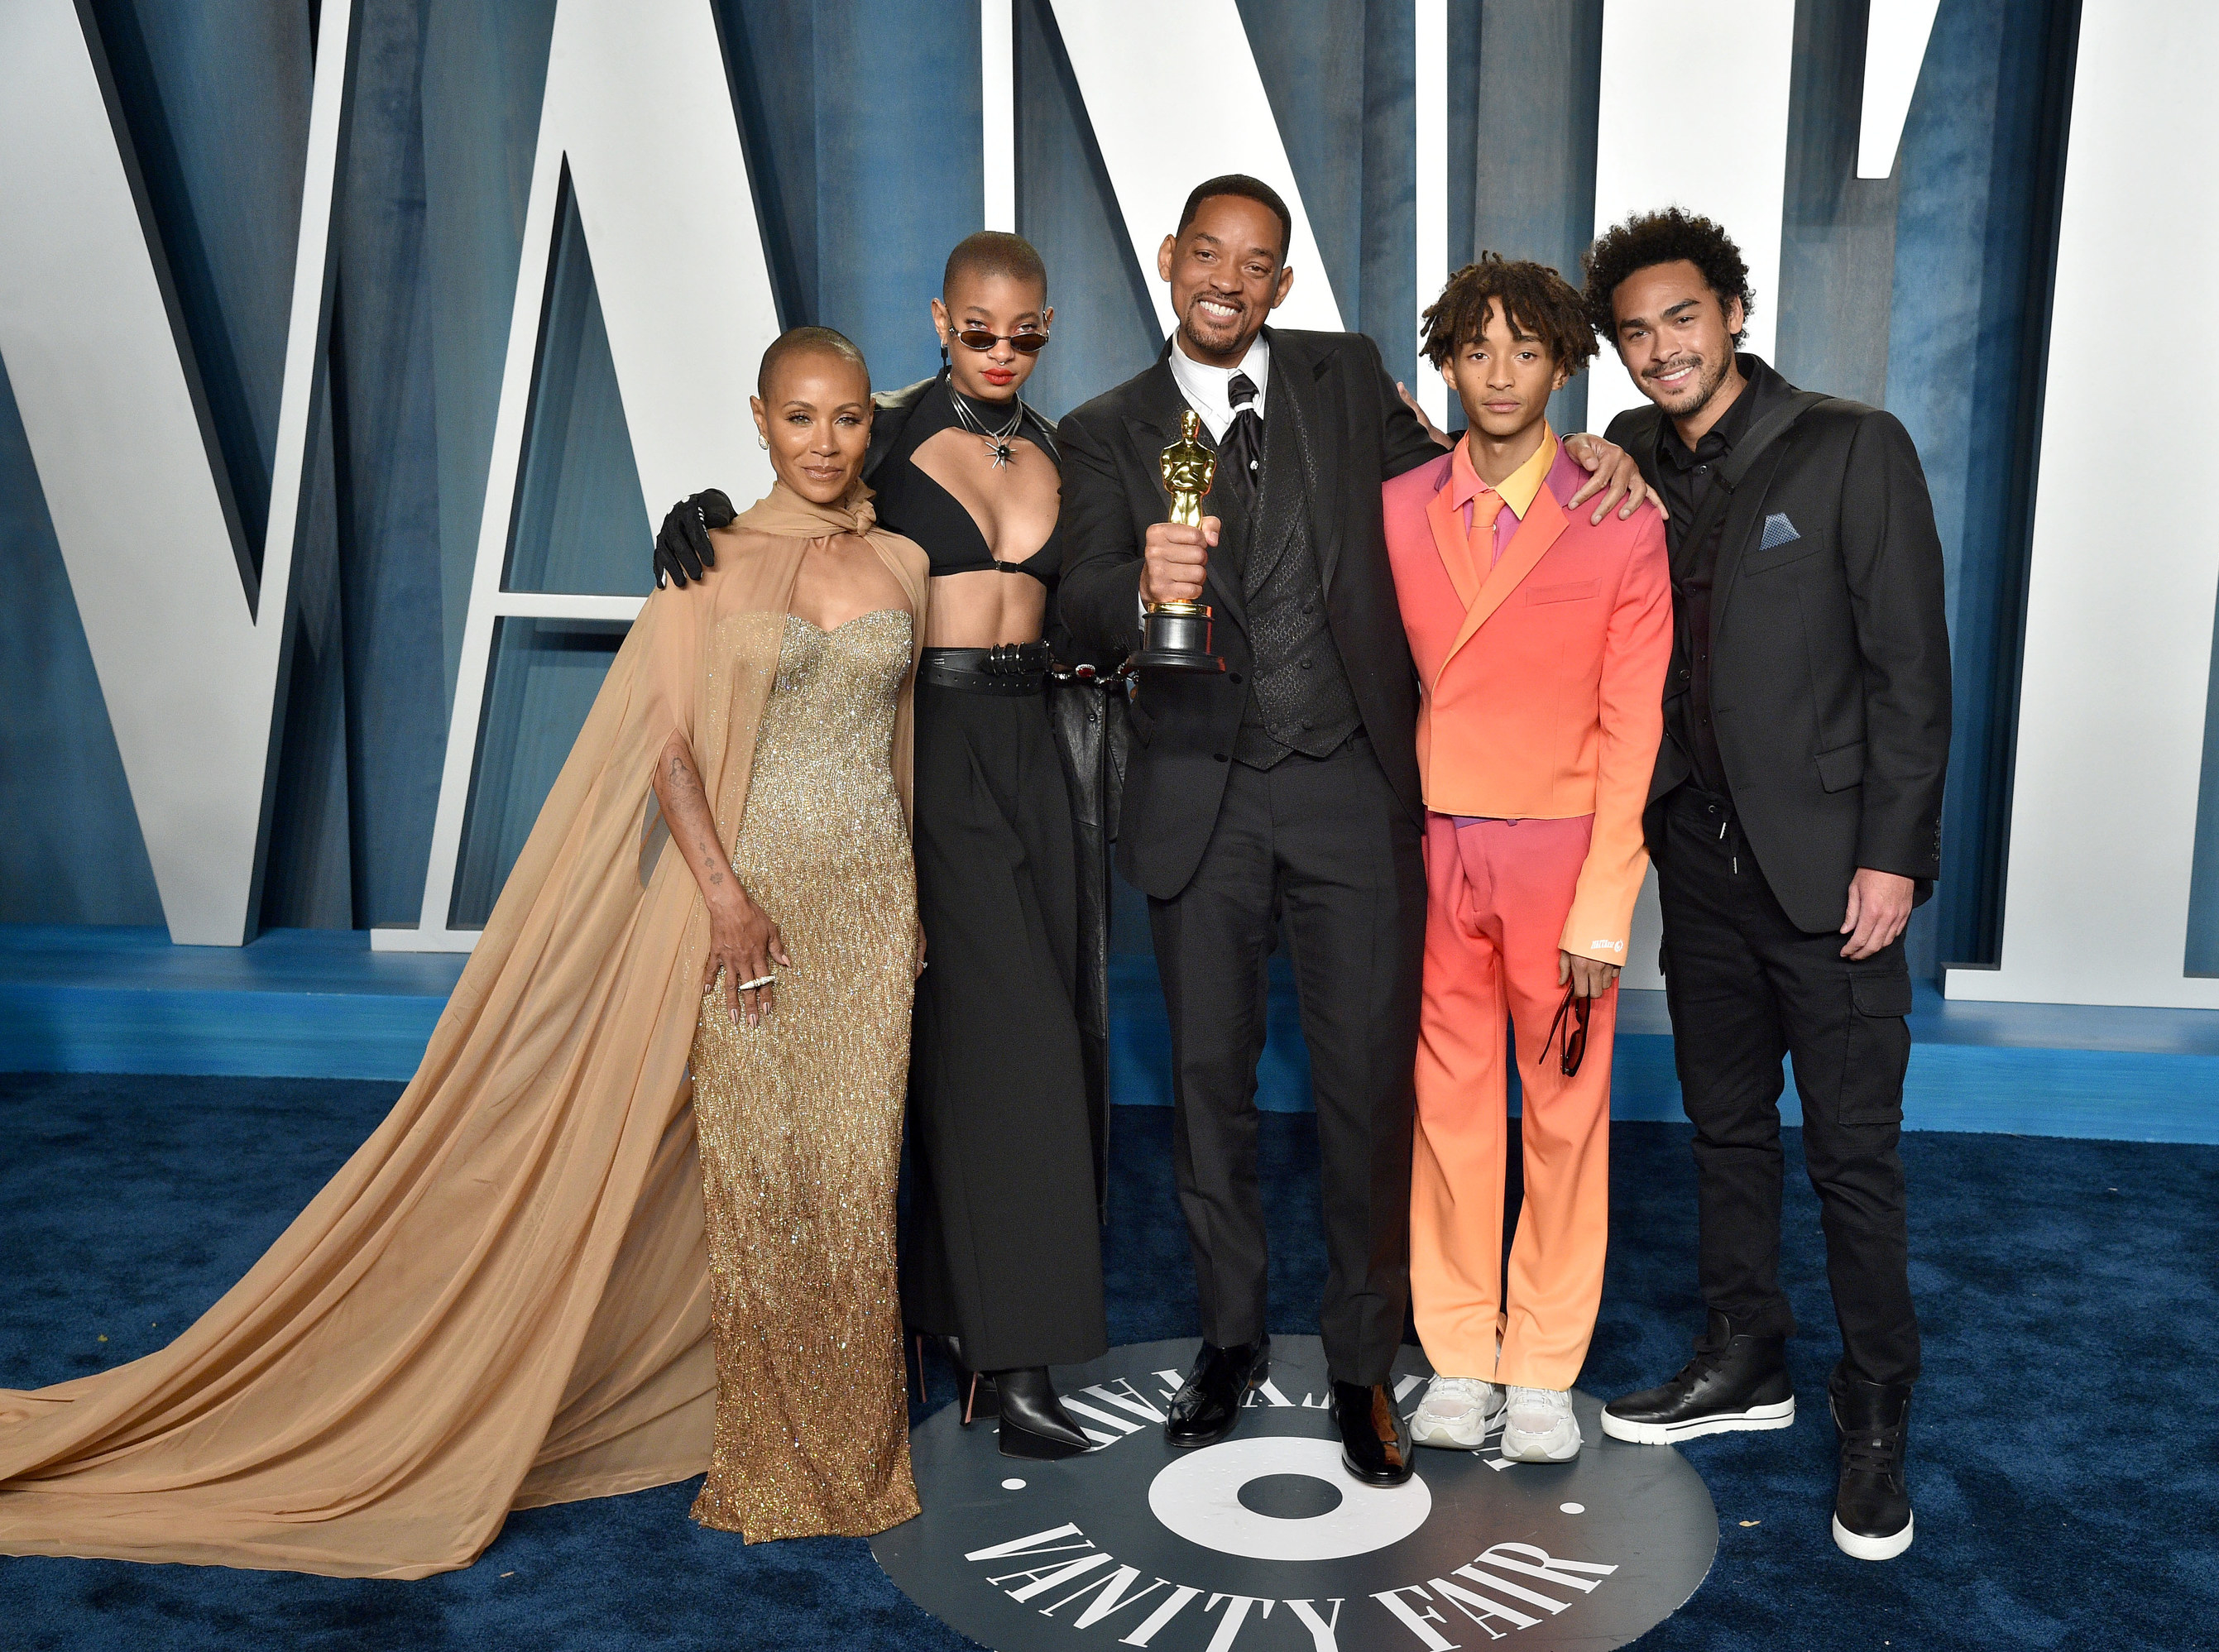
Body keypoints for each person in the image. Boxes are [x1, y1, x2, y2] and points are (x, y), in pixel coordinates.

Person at [0, 327, 930, 1573]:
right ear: (757, 418)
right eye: (801, 417)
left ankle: (861, 1456)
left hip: (870, 906)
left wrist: (912, 907)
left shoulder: (908, 562)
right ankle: (772, 1452)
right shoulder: (708, 562)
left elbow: (904, 744)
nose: (826, 443)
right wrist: (722, 899)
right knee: (765, 1177)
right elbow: (669, 752)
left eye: (849, 418)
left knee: (858, 1178)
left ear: (875, 421)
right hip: (748, 904)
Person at [1052, 174, 1651, 1487]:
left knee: (1373, 1091)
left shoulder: (1342, 374)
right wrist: (1127, 582)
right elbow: (1073, 605)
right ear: (1169, 261)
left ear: (1281, 284)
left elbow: (1475, 480)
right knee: (1209, 1088)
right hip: (1198, 794)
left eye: (1256, 262)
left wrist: (1606, 449)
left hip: (1353, 796)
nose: (1228, 278)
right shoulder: (1103, 429)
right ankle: (1225, 1337)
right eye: (1206, 253)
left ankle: (1370, 1361)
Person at [653, 234, 1110, 1462]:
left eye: (1024, 334)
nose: (1002, 352)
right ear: (939, 320)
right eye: (978, 331)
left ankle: (963, 1328)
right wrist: (695, 517)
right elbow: (799, 513)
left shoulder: (1071, 446)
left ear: (1048, 327)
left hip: (1046, 753)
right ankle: (1013, 1363)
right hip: (931, 748)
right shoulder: (889, 437)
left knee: (1031, 1043)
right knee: (998, 1045)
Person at [1580, 208, 1951, 1561]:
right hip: (1704, 862)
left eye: (1682, 317)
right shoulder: (1618, 455)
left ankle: (1876, 1408)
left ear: (1733, 312)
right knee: (1726, 1127)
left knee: (1854, 1156)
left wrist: (1894, 853)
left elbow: (1912, 668)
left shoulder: (1854, 446)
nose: (1661, 348)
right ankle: (1748, 1354)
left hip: (1836, 870)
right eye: (1635, 332)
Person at [1383, 258, 1670, 1465]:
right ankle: (1457, 1351)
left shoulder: (1620, 514)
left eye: (1526, 349)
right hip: (1438, 850)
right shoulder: (1399, 504)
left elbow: (1635, 724)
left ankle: (1543, 1363)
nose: (1500, 372)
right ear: (1445, 361)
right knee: (1449, 1112)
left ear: (1564, 364)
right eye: (1477, 347)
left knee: (1563, 1115)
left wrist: (1607, 908)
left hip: (1564, 862)